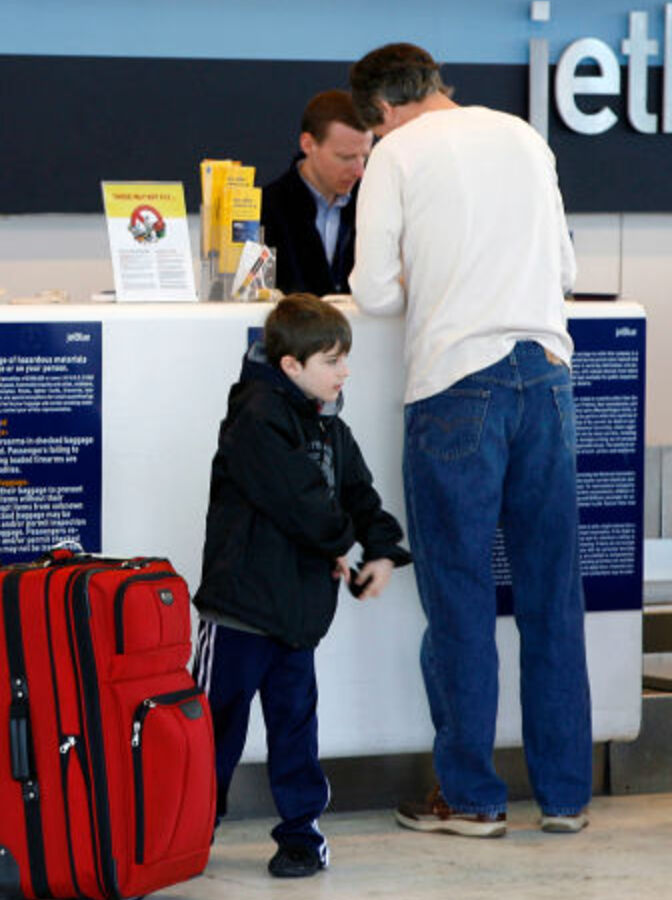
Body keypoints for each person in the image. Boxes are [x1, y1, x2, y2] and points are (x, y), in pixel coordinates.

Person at [348, 43, 591, 838]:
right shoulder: (524, 135)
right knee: (552, 596)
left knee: (460, 597)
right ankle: (565, 798)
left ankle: (473, 797)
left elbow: (371, 291)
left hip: (457, 384)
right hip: (547, 378)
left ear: (381, 111)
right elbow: (564, 269)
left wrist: (431, 275)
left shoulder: (397, 154)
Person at [192, 294, 411, 878]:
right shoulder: (255, 417)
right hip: (238, 613)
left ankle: (300, 835)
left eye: (345, 359)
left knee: (294, 730)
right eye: (332, 361)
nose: (345, 372)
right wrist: (343, 545)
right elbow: (298, 498)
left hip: (297, 617)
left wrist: (381, 549)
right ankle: (188, 828)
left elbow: (358, 494)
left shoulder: (329, 424)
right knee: (212, 729)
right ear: (291, 365)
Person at [259, 90, 372, 296]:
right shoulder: (265, 209)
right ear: (308, 144)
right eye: (345, 157)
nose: (359, 171)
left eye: (364, 156)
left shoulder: (372, 204)